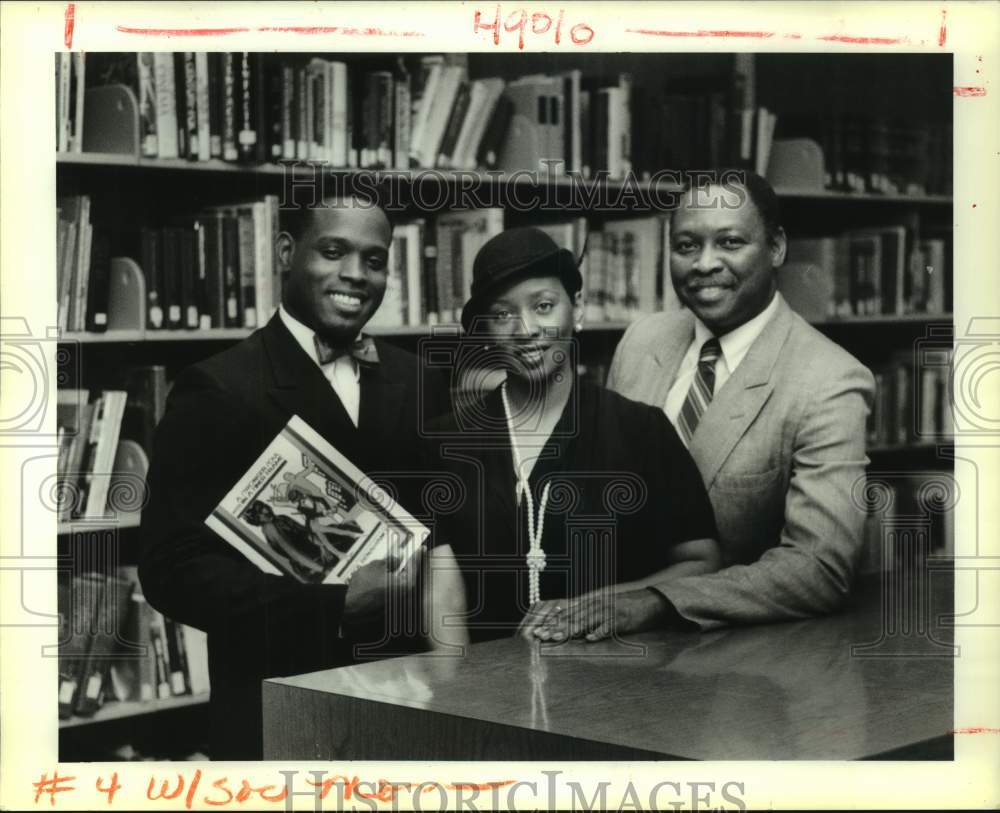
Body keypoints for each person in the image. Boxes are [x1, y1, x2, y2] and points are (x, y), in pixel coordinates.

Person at [139, 192, 457, 759]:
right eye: (333, 251)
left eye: (375, 259)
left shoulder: (421, 383)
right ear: (287, 251)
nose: (355, 275)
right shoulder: (219, 388)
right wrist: (333, 607)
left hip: (406, 707)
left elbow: (442, 540)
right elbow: (172, 570)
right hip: (278, 711)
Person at [533, 170, 875, 639]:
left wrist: (655, 601)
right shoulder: (641, 340)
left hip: (739, 663)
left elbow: (819, 569)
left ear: (776, 248)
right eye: (687, 246)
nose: (704, 264)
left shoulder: (828, 380)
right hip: (599, 637)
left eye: (730, 243)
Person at [423, 227, 720, 644]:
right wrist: (452, 697)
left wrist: (602, 604)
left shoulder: (641, 431)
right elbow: (443, 597)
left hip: (620, 687)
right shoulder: (445, 445)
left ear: (576, 308)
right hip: (486, 689)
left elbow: (702, 561)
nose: (526, 329)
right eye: (503, 314)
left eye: (544, 305)